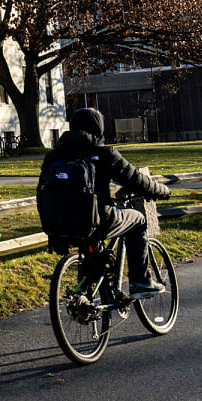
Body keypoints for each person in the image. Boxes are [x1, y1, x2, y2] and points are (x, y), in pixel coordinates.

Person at [41, 108, 171, 298]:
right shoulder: (104, 154)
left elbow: (42, 194)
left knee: (91, 250)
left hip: (61, 224)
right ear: (99, 128)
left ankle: (84, 294)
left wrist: (50, 230)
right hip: (100, 220)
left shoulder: (53, 157)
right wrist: (163, 191)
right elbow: (136, 180)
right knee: (139, 220)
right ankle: (140, 281)